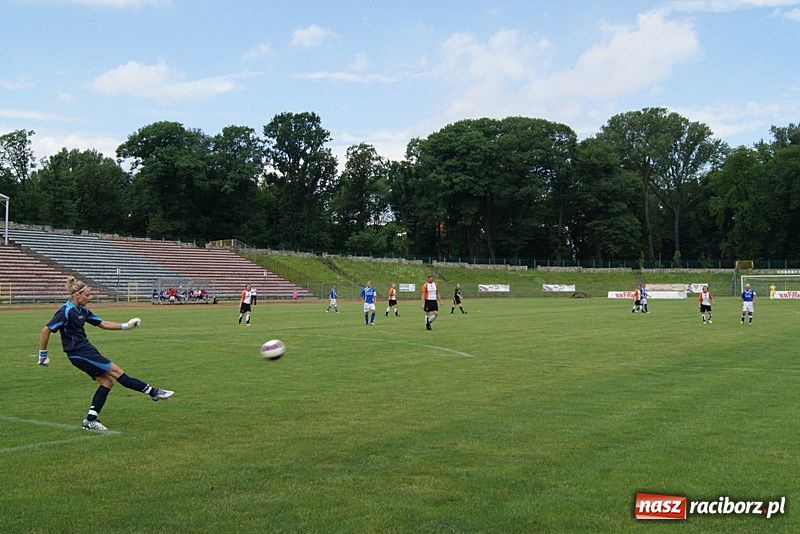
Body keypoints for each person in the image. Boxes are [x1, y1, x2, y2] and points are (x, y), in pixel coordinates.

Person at [37, 276, 173, 432]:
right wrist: (42, 355)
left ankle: (90, 420)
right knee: (117, 372)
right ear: (77, 295)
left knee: (107, 382)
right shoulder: (66, 311)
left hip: (86, 350)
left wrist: (126, 326)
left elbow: (102, 323)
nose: (89, 298)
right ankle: (153, 392)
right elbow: (46, 330)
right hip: (79, 353)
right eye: (87, 295)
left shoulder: (82, 310)